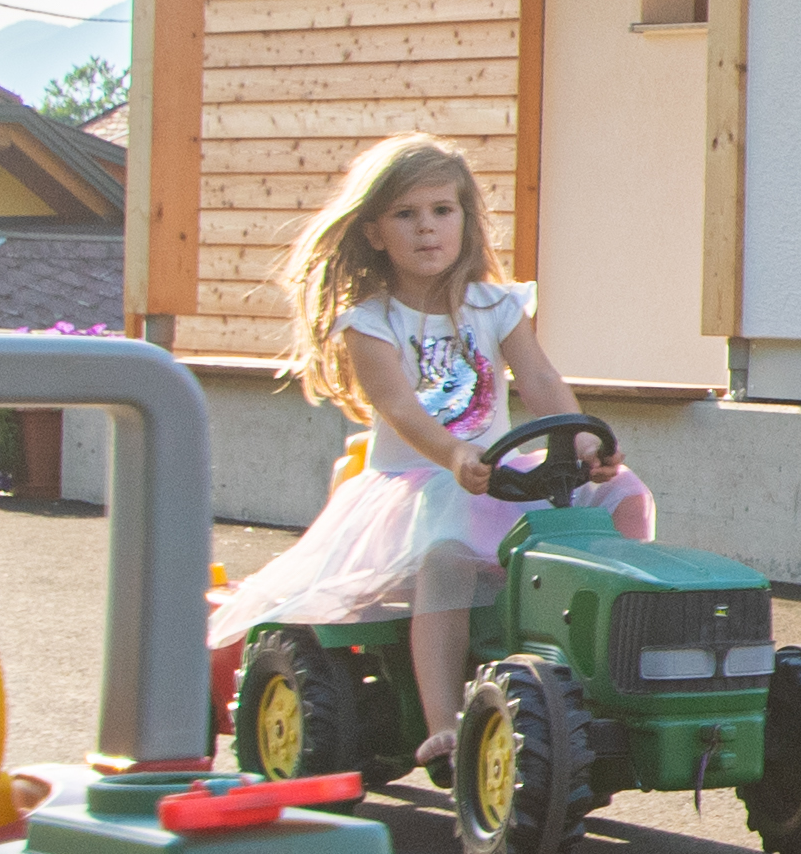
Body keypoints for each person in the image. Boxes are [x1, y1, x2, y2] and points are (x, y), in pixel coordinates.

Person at [210, 134, 646, 724]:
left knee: (623, 493)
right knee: (447, 556)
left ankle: (616, 655)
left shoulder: (495, 306)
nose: (426, 228)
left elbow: (540, 381)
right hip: (419, 478)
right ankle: (443, 722)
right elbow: (400, 409)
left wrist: (587, 440)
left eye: (442, 211)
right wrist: (454, 454)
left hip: (490, 473)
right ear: (373, 232)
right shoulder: (372, 321)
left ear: (465, 220)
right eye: (406, 214)